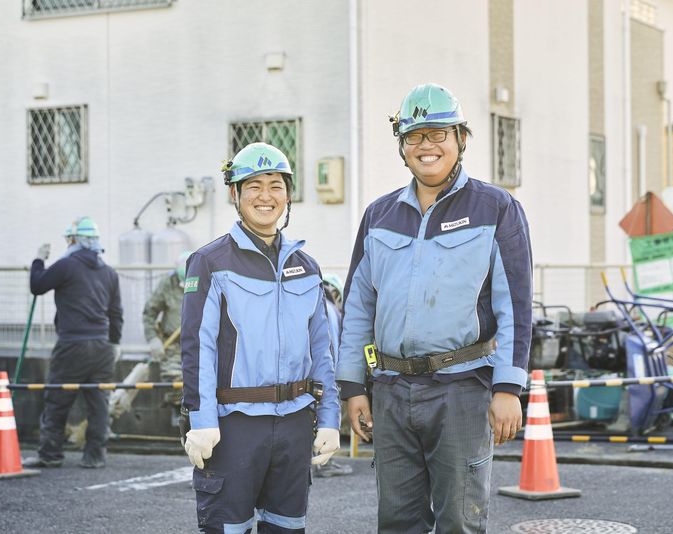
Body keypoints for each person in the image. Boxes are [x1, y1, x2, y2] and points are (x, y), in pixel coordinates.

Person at [336, 83, 533, 533]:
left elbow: (516, 306)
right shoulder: (379, 215)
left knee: (460, 521)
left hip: (462, 389)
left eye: (438, 133)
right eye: (415, 136)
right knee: (397, 521)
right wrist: (353, 386)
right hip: (390, 390)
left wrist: (508, 387)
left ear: (460, 139)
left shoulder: (496, 208)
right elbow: (358, 307)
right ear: (402, 146)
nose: (426, 146)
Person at [180, 142, 340, 533]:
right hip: (233, 426)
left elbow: (322, 350)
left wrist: (330, 418)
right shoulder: (210, 262)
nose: (265, 196)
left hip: (295, 423)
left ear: (288, 195)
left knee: (287, 527)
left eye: (275, 186)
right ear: (234, 194)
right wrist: (201, 420)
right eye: (253, 186)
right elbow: (197, 346)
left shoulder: (307, 267)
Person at [25, 216, 123, 469]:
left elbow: (37, 285)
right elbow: (116, 313)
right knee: (99, 403)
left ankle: (50, 454)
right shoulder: (109, 273)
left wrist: (38, 260)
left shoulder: (66, 266)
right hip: (102, 346)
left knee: (57, 399)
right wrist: (114, 343)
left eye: (69, 239)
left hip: (72, 345)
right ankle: (95, 456)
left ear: (75, 240)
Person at [141, 250, 192, 413]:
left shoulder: (207, 281)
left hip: (199, 344)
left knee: (199, 382)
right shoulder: (167, 284)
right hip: (172, 346)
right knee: (175, 381)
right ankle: (177, 412)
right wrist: (153, 339)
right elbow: (149, 312)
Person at [313, 273, 353, 478]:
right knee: (324, 417)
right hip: (326, 372)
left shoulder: (316, 305)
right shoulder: (329, 309)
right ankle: (323, 464)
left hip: (312, 373)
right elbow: (332, 345)